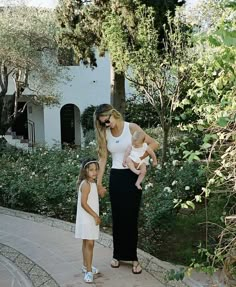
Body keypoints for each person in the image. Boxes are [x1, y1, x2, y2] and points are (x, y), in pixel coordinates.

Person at [94, 104, 159, 274]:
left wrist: (141, 159)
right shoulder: (105, 133)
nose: (106, 125)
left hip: (132, 177)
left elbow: (153, 143)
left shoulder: (132, 128)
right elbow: (102, 160)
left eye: (107, 121)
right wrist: (99, 183)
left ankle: (133, 258)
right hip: (116, 177)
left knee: (131, 218)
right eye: (102, 123)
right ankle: (117, 255)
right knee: (118, 217)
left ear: (113, 114)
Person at [75, 158, 101, 283]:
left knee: (87, 242)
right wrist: (95, 215)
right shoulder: (86, 184)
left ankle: (86, 266)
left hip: (90, 218)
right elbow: (83, 203)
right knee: (89, 243)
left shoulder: (92, 183)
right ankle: (89, 272)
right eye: (91, 170)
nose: (94, 172)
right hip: (87, 218)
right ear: (85, 171)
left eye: (96, 169)